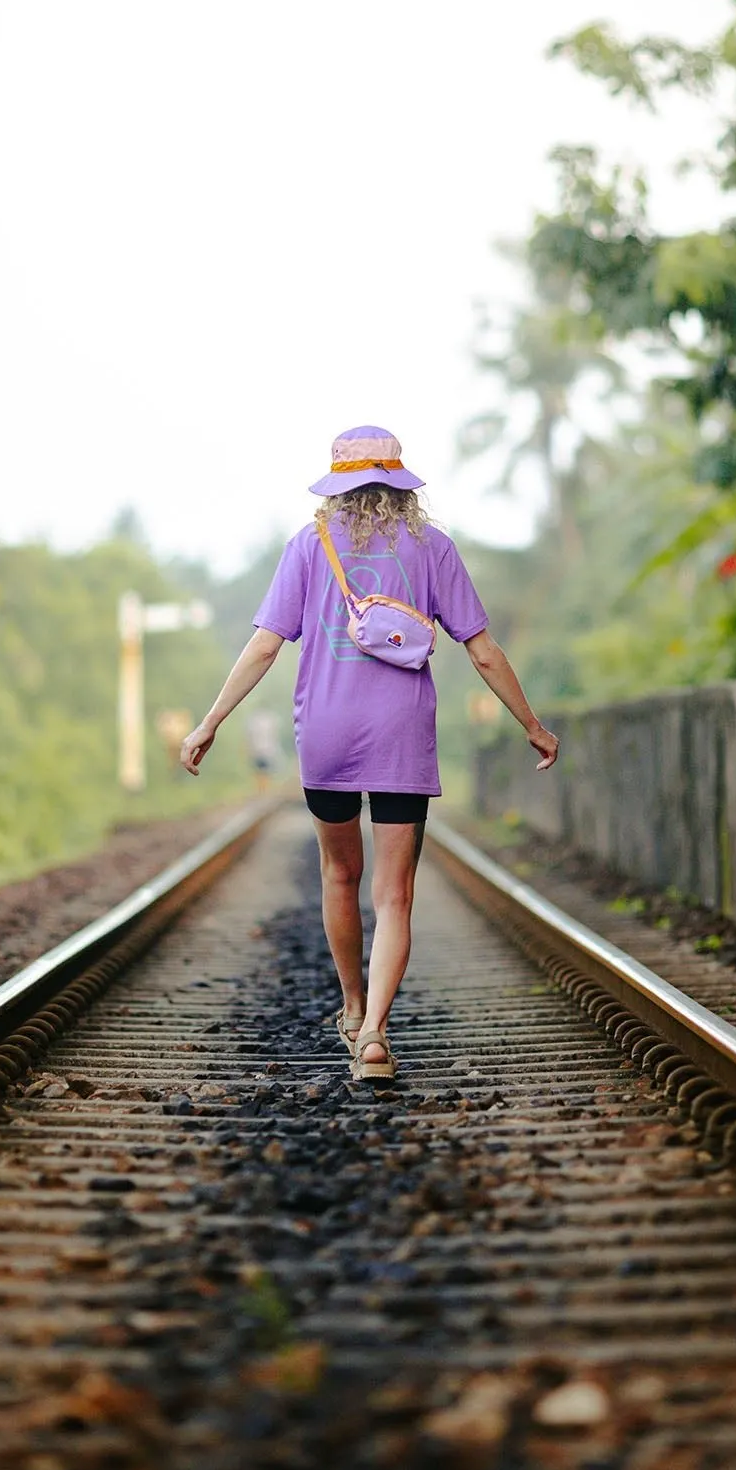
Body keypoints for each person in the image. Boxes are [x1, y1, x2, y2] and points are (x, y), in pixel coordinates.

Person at [180, 425, 559, 1081]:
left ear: (339, 486)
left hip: (324, 732)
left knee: (339, 876)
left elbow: (266, 646)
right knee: (394, 895)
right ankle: (377, 1037)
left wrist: (209, 722)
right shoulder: (431, 547)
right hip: (400, 734)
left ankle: (352, 1007)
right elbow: (482, 650)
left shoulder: (308, 544)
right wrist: (531, 723)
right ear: (397, 483)